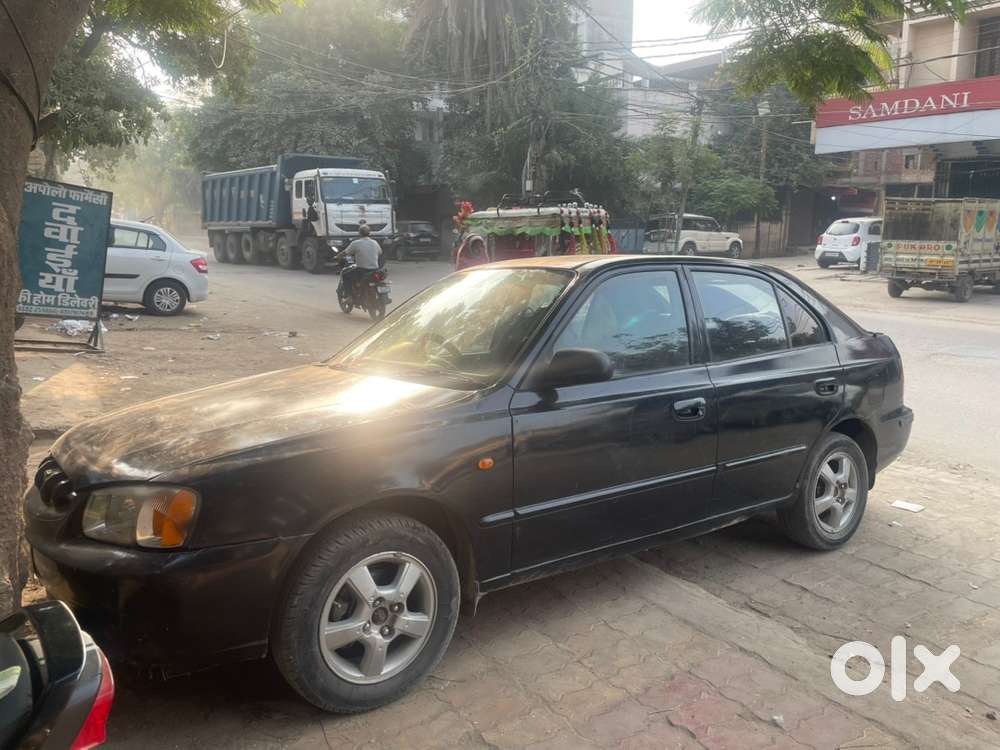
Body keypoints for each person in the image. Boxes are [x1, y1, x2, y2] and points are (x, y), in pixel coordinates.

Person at [340, 224, 382, 298]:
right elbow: (380, 252)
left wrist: (337, 256)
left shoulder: (356, 243)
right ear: (369, 233)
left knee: (345, 274)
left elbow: (345, 253)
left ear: (359, 233)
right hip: (375, 269)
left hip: (361, 270)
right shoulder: (375, 242)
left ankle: (349, 295)